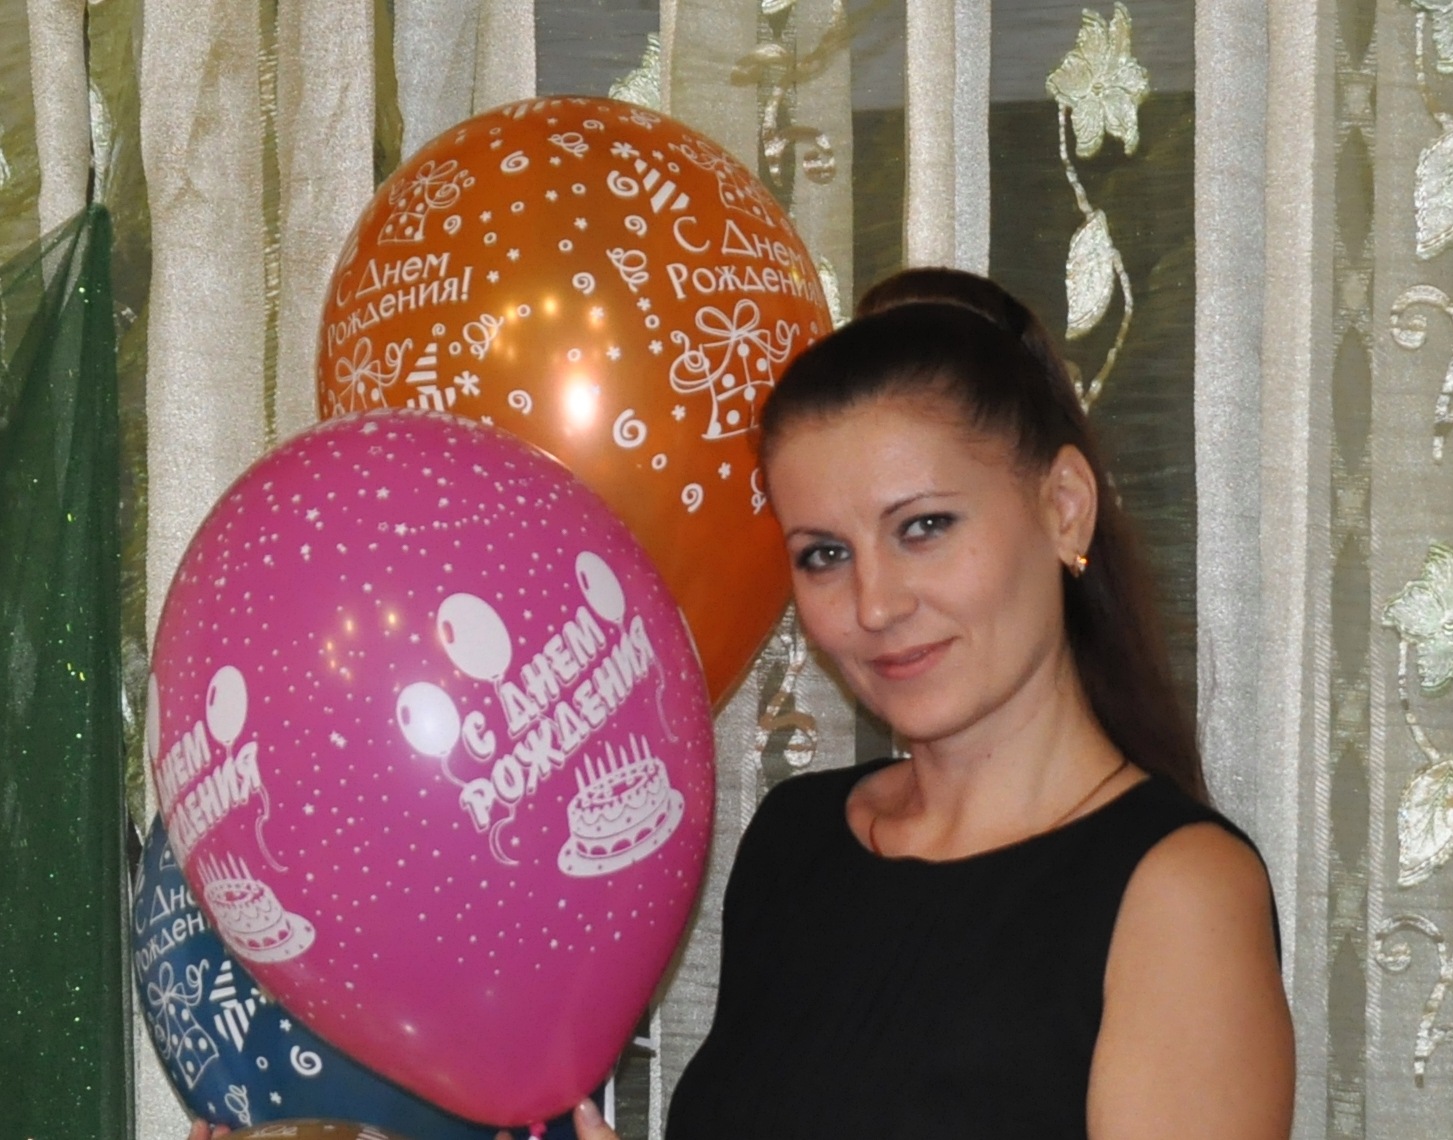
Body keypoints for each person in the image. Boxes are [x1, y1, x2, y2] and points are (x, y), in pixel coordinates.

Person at [190, 269, 1294, 1139]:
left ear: (1062, 508)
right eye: (823, 554)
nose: (874, 605)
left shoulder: (1178, 894)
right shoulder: (797, 842)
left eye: (923, 528)